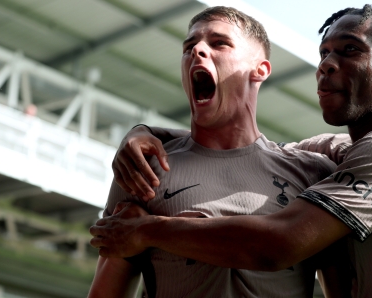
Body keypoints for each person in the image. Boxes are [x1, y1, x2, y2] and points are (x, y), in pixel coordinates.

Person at [91, 4, 372, 297]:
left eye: (349, 50)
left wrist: (147, 231)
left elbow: (280, 244)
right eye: (325, 52)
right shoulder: (145, 168)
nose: (327, 64)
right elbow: (252, 149)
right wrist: (143, 132)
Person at [87, 6, 339, 298]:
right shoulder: (144, 167)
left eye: (219, 43)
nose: (197, 51)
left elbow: (341, 288)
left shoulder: (313, 174)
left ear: (260, 70)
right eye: (189, 46)